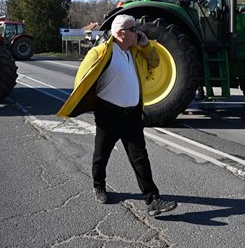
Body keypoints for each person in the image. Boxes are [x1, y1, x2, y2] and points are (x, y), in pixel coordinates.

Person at [57, 14, 177, 217]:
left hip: (132, 115)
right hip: (109, 114)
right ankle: (98, 186)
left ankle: (152, 199)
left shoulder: (135, 51)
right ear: (121, 34)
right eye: (133, 29)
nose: (138, 32)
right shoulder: (101, 52)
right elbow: (82, 81)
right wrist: (88, 104)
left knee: (140, 157)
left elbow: (155, 63)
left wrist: (146, 44)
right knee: (101, 155)